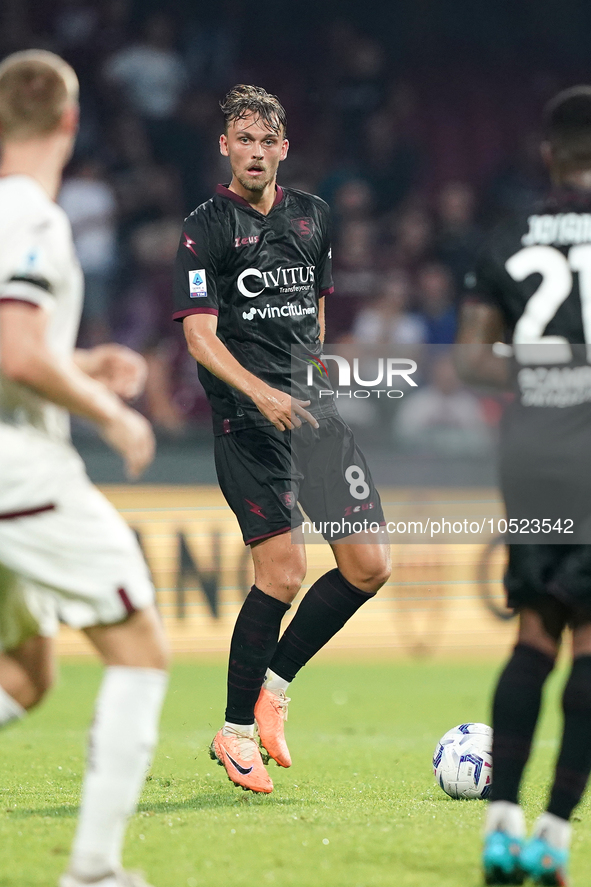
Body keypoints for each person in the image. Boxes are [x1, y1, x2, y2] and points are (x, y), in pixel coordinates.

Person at [173, 85, 390, 794]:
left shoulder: (313, 217)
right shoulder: (203, 228)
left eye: (268, 141)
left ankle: (273, 688)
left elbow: (314, 324)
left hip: (314, 417)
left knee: (368, 566)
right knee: (283, 574)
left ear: (284, 148)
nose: (256, 151)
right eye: (244, 139)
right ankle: (235, 731)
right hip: (248, 423)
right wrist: (261, 393)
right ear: (225, 146)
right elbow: (199, 336)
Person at [0, 50, 168, 887]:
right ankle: (95, 872)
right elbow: (18, 349)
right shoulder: (34, 216)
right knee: (140, 647)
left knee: (26, 674)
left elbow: (23, 346)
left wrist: (81, 362)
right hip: (21, 477)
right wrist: (111, 413)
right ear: (70, 122)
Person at [457, 86, 591, 886]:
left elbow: (473, 361)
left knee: (532, 637)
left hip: (532, 452)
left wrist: (544, 364)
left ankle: (498, 825)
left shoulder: (505, 239)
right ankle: (552, 835)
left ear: (547, 154)